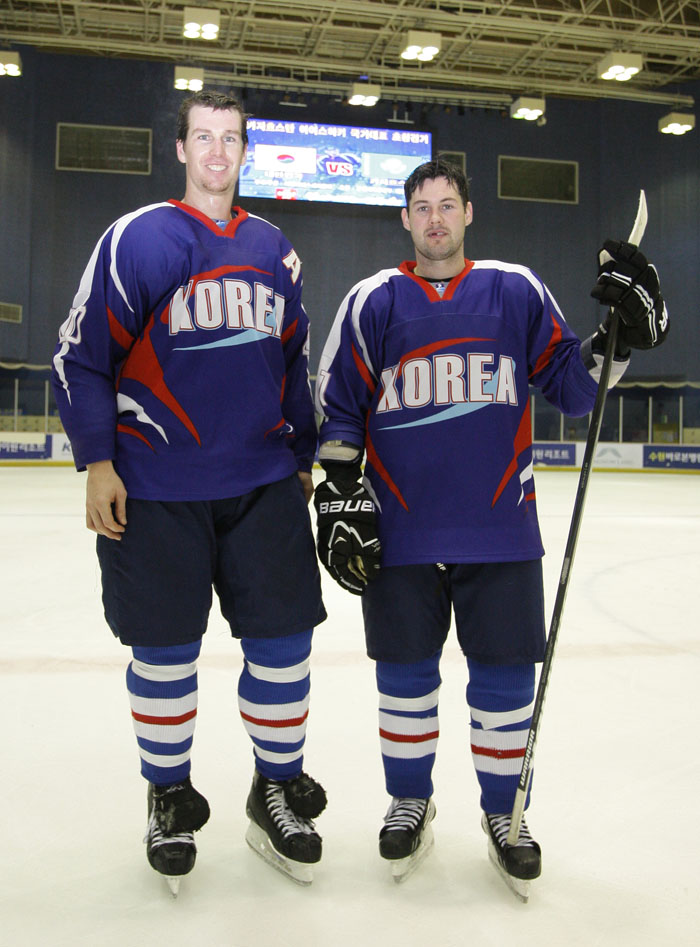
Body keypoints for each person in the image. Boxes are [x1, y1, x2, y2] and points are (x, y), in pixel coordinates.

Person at [313, 158, 668, 898]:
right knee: (404, 681)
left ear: (468, 212)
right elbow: (340, 405)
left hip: (501, 529)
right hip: (403, 533)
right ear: (405, 219)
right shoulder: (373, 300)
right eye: (422, 207)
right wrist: (340, 489)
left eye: (448, 204)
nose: (435, 218)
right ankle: (410, 798)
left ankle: (506, 814)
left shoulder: (514, 289)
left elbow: (574, 385)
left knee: (506, 685)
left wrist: (618, 340)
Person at [51, 90, 328, 893]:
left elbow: (293, 360)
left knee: (283, 646)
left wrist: (302, 455)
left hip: (262, 481)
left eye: (230, 138)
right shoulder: (140, 238)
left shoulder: (275, 249)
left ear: (246, 152)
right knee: (165, 650)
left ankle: (275, 788)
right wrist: (98, 460)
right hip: (156, 485)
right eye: (202, 137)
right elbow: (81, 356)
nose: (216, 151)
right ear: (181, 149)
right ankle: (168, 794)